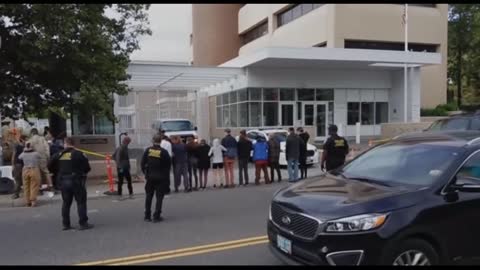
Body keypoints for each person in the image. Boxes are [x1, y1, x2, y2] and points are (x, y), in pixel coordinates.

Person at [48, 137, 93, 230]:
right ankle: (83, 223)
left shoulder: (59, 154)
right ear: (74, 144)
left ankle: (66, 224)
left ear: (65, 144)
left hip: (63, 181)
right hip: (76, 180)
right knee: (80, 202)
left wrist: (58, 171)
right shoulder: (79, 154)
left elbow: (49, 166)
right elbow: (87, 168)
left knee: (66, 203)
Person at [141, 134, 171, 223]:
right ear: (161, 141)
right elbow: (168, 167)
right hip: (161, 178)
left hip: (150, 177)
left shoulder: (148, 150)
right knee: (159, 197)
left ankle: (147, 215)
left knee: (149, 196)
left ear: (152, 140)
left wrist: (146, 173)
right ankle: (156, 216)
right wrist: (166, 179)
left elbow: (142, 163)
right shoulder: (164, 152)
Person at [18, 142, 41, 207]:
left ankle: (27, 202)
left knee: (26, 186)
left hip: (25, 170)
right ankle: (33, 201)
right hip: (34, 169)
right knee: (34, 186)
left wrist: (24, 150)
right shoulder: (35, 154)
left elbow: (19, 157)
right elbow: (40, 156)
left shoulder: (23, 154)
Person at [11, 135, 27, 199]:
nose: (26, 141)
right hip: (21, 165)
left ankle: (16, 194)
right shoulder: (24, 147)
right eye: (25, 139)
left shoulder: (17, 147)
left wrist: (13, 165)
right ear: (22, 140)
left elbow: (13, 156)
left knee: (18, 180)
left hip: (18, 165)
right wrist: (13, 165)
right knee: (20, 180)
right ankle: (17, 194)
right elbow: (13, 156)